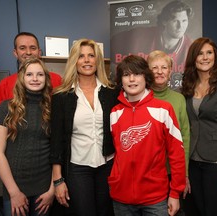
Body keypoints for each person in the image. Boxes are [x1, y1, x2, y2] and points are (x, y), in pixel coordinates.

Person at [109, 55, 186, 216]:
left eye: (137, 74)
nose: (131, 79)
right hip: (121, 198)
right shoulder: (115, 113)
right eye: (126, 75)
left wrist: (175, 193)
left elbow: (177, 154)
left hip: (155, 199)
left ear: (146, 77)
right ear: (121, 81)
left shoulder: (164, 109)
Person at [49, 38, 119, 216]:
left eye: (91, 56)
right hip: (77, 167)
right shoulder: (61, 96)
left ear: (98, 60)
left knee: (107, 213)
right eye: (81, 56)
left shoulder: (112, 92)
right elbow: (56, 139)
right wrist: (57, 179)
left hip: (108, 165)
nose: (87, 60)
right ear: (74, 61)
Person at [181, 37, 217, 216]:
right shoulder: (188, 86)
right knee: (195, 210)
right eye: (200, 53)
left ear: (215, 57)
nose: (205, 57)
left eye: (209, 53)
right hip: (193, 160)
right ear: (193, 57)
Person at [0, 58, 54, 216]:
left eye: (40, 74)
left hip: (44, 189)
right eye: (29, 74)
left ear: (45, 78)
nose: (34, 78)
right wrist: (14, 192)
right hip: (15, 187)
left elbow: (58, 152)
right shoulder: (7, 107)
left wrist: (52, 189)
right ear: (22, 78)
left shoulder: (53, 108)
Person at [111, 0, 194, 90]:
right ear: (164, 21)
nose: (180, 26)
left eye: (184, 21)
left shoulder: (190, 47)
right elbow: (114, 43)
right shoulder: (141, 35)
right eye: (175, 21)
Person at [147, 50, 190, 215]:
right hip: (149, 174)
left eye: (164, 67)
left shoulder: (179, 99)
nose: (159, 72)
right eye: (154, 67)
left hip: (173, 172)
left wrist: (184, 174)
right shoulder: (140, 97)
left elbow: (184, 137)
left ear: (171, 71)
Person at [0, 32, 62, 122]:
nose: (28, 52)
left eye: (33, 48)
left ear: (39, 52)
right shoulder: (5, 84)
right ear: (15, 53)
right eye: (22, 48)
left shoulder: (57, 79)